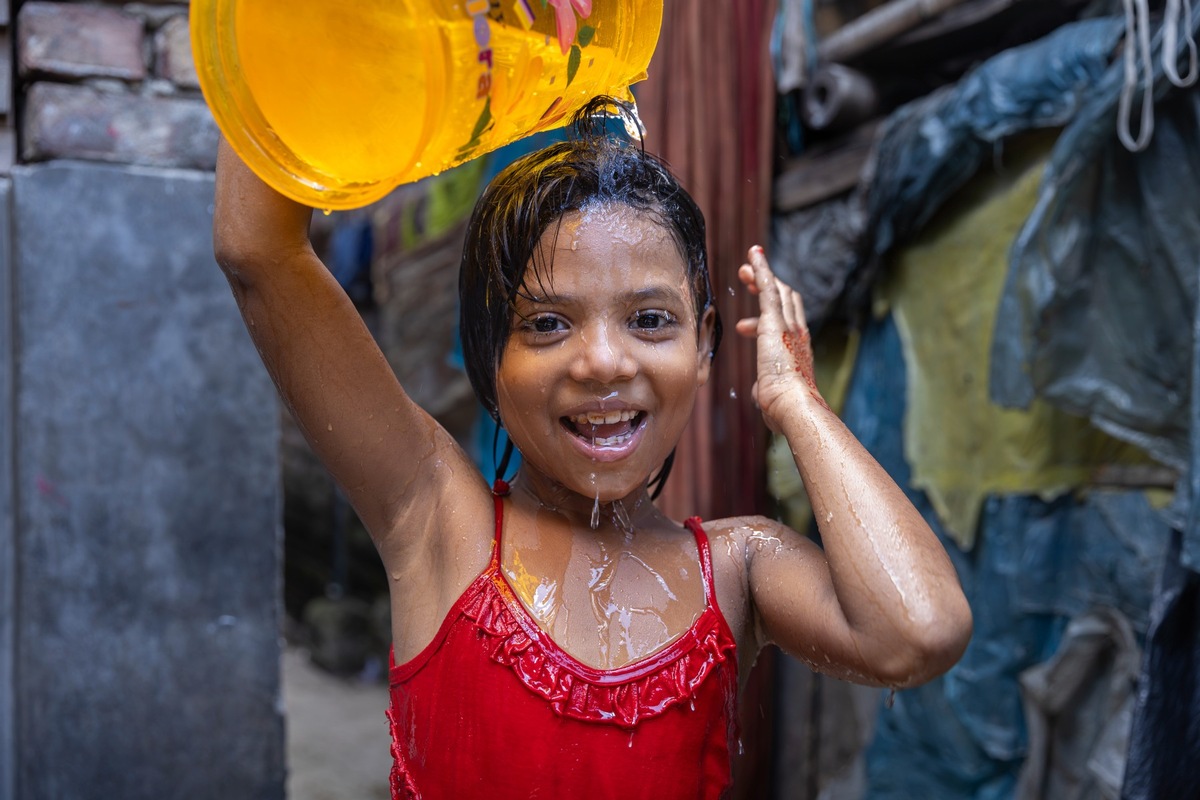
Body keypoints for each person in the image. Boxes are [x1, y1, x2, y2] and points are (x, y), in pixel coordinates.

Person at [212, 101, 972, 799]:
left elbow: (918, 632)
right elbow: (259, 249)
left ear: (705, 346)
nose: (604, 362)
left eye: (649, 320)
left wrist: (798, 405)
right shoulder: (436, 519)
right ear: (491, 361)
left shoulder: (740, 574)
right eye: (546, 324)